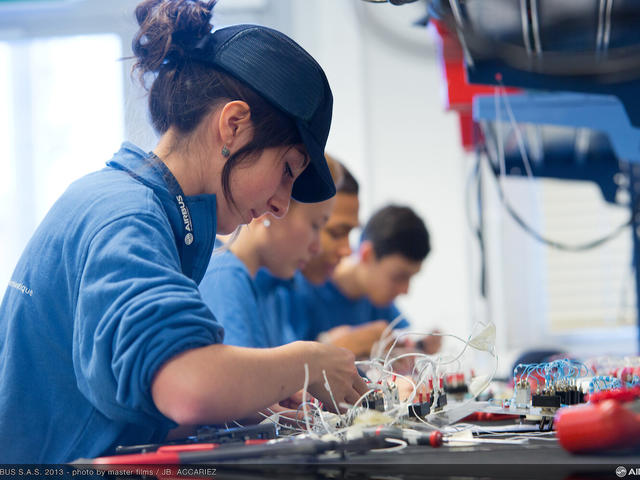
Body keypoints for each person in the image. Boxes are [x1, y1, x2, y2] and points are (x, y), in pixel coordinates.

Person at [0, 0, 367, 463]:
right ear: (233, 125)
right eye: (288, 170)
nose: (279, 203)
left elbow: (105, 390)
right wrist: (306, 361)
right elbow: (187, 385)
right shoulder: (127, 216)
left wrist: (239, 404)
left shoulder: (131, 205)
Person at [198, 156, 344, 348]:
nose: (317, 248)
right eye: (315, 225)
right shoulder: (224, 277)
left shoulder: (274, 289)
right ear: (272, 208)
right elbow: (246, 378)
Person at [285, 203, 438, 358]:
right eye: (399, 277)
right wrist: (334, 346)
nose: (405, 290)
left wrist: (422, 346)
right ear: (367, 255)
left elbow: (406, 340)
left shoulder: (378, 301)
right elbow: (288, 367)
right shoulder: (298, 289)